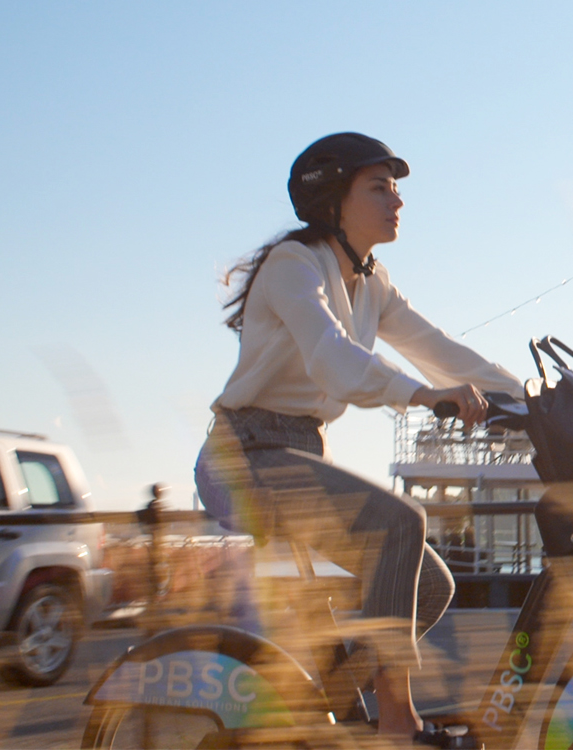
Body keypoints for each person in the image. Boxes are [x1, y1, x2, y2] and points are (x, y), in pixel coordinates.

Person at [193, 132, 523, 741]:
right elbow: (331, 356)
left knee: (430, 583)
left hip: (298, 456)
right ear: (334, 200)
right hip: (244, 458)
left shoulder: (371, 282)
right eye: (379, 188)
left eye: (396, 190)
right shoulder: (295, 266)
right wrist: (421, 396)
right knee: (400, 525)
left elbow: (438, 349)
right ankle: (397, 720)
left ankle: (327, 695)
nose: (397, 202)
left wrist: (529, 398)